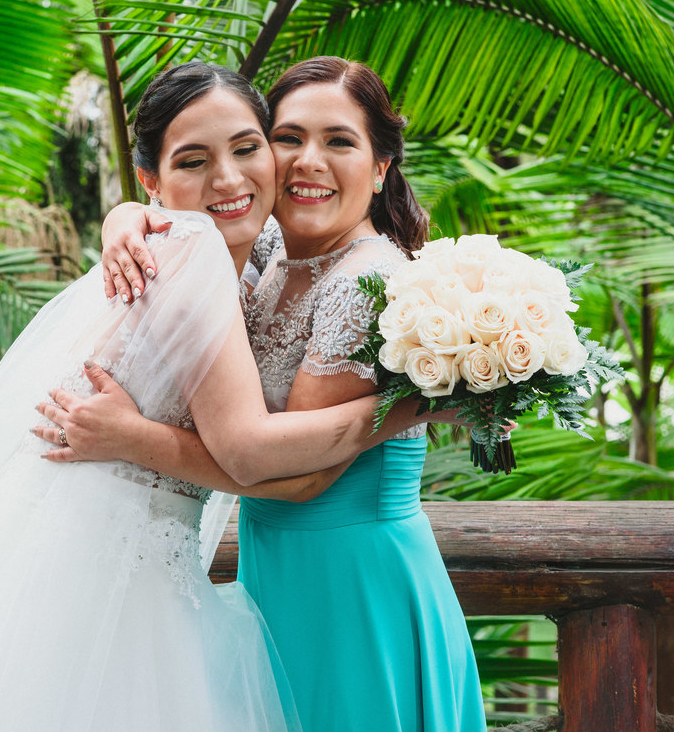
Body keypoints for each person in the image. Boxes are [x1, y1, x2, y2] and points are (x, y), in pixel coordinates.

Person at [0, 62, 442, 732]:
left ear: (382, 165)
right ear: (153, 178)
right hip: (110, 567)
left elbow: (270, 459)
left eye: (247, 148)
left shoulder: (231, 246)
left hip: (116, 558)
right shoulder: (207, 248)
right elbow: (244, 448)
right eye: (197, 159)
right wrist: (412, 407)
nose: (235, 176)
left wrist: (131, 217)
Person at [47, 56, 486, 731]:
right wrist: (125, 217)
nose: (308, 160)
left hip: (351, 589)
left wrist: (420, 405)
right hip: (277, 573)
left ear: (380, 167)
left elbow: (292, 475)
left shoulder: (366, 283)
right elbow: (190, 217)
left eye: (339, 141)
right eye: (288, 138)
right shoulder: (277, 244)